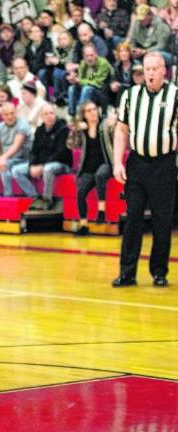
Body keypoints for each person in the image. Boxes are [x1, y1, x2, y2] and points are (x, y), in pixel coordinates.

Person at [112, 52, 178, 288]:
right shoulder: (131, 95)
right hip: (137, 163)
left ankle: (159, 272)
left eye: (154, 69)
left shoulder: (175, 95)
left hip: (164, 164)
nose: (149, 73)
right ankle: (127, 272)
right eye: (146, 69)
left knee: (162, 221)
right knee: (133, 219)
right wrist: (117, 162)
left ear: (164, 71)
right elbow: (121, 130)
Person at [12, 103, 72, 210]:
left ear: (55, 114)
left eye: (51, 113)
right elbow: (34, 151)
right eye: (46, 114)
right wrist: (32, 165)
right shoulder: (39, 130)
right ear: (42, 117)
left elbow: (61, 152)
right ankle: (34, 196)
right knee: (16, 170)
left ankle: (47, 200)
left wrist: (42, 166)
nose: (49, 116)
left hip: (62, 164)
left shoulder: (63, 129)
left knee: (48, 169)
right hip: (42, 163)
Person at [71, 101, 115, 235]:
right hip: (88, 167)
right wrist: (76, 130)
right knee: (80, 190)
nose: (93, 112)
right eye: (89, 111)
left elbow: (117, 136)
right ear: (84, 115)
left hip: (106, 164)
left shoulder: (105, 126)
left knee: (100, 175)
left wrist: (114, 124)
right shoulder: (83, 131)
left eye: (94, 109)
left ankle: (101, 211)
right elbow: (71, 145)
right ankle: (83, 225)